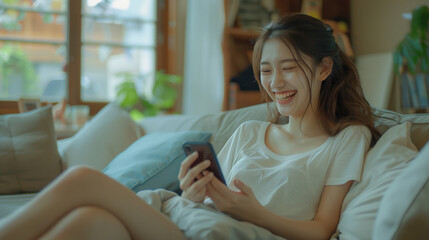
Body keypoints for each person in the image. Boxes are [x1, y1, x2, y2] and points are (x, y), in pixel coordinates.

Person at [0, 14, 380, 240]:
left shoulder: (347, 138)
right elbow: (205, 199)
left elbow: (321, 230)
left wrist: (253, 212)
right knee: (91, 222)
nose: (275, 83)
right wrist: (193, 191)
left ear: (324, 68)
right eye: (266, 71)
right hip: (196, 222)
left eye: (289, 68)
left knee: (83, 180)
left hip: (237, 235)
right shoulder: (249, 132)